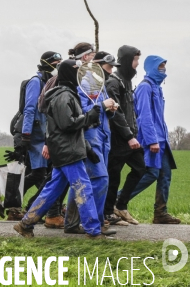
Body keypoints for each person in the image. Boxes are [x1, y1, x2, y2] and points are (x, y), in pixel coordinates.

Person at [13, 60, 107, 239]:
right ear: (68, 74)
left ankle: (25, 224)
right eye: (77, 70)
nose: (80, 74)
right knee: (83, 188)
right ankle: (93, 231)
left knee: (52, 190)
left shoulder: (66, 94)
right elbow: (67, 124)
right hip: (68, 152)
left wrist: (88, 147)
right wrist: (90, 116)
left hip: (64, 151)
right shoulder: (64, 96)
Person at [64, 51, 118, 234]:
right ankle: (98, 223)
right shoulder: (84, 84)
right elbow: (84, 112)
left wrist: (111, 109)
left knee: (82, 180)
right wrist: (102, 106)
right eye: (108, 67)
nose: (110, 71)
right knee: (101, 179)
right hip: (90, 136)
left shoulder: (100, 84)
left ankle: (71, 223)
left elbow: (102, 109)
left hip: (103, 136)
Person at [7, 51, 62, 224]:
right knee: (40, 174)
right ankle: (18, 203)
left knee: (40, 174)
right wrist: (25, 136)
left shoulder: (49, 82)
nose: (58, 66)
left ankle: (20, 203)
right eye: (56, 63)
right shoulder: (36, 82)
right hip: (35, 136)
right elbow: (30, 109)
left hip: (44, 135)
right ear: (47, 64)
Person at [127, 56, 180, 224]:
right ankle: (117, 202)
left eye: (164, 66)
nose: (163, 70)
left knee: (165, 175)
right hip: (152, 141)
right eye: (160, 67)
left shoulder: (157, 88)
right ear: (151, 68)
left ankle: (160, 213)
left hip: (162, 141)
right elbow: (144, 116)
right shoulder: (145, 87)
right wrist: (151, 140)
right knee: (150, 174)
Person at [104, 45, 145, 226]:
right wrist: (129, 136)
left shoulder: (127, 81)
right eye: (135, 60)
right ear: (128, 60)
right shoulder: (114, 82)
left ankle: (120, 206)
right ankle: (107, 213)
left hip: (130, 135)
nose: (137, 64)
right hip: (119, 138)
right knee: (113, 175)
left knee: (141, 169)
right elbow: (116, 113)